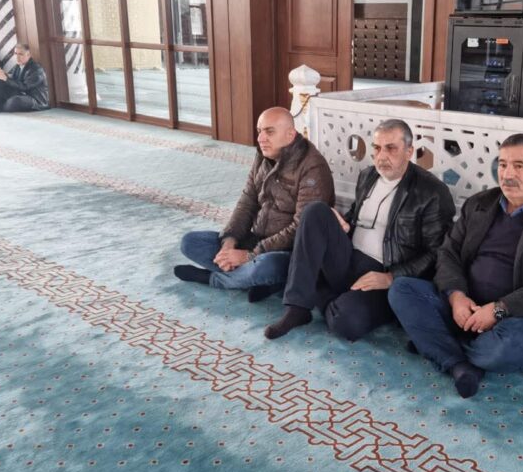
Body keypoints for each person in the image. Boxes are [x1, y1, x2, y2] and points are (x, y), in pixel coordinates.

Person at [388, 134, 523, 399]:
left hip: (522, 318)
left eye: (519, 166)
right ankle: (460, 364)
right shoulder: (479, 204)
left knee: (512, 346)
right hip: (468, 306)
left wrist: (498, 310)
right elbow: (448, 253)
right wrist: (457, 297)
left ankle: (439, 345)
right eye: (503, 165)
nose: (507, 174)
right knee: (402, 289)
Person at [264, 119, 455, 340]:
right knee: (315, 210)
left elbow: (437, 252)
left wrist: (391, 277)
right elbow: (358, 215)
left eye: (391, 148)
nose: (382, 156)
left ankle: (318, 289)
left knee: (346, 322)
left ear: (409, 151)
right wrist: (344, 223)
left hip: (383, 273)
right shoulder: (368, 176)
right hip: (348, 257)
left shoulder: (432, 192)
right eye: (377, 148)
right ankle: (297, 309)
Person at [175, 107, 335, 300]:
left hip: (288, 252)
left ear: (290, 134)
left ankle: (215, 279)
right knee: (190, 242)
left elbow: (301, 228)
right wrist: (229, 243)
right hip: (255, 240)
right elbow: (247, 202)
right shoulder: (263, 155)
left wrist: (249, 256)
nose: (260, 138)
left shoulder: (312, 166)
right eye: (259, 131)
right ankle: (258, 281)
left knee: (264, 266)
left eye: (269, 132)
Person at [0, 43, 50, 114]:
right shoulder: (17, 66)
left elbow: (25, 87)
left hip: (35, 100)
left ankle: (0, 106)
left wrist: (5, 78)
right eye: (16, 54)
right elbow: (14, 81)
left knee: (14, 101)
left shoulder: (36, 69)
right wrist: (3, 75)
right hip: (22, 94)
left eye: (20, 54)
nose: (17, 57)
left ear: (28, 55)